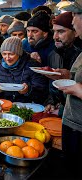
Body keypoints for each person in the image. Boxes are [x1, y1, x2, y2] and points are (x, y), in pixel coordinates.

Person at [57, 2, 82, 177]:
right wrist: (65, 76)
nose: (72, 21)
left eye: (76, 15)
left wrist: (80, 90)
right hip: (72, 123)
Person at [44, 12, 81, 114]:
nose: (55, 37)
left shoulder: (80, 56)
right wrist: (51, 102)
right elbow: (52, 86)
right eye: (54, 31)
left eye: (61, 32)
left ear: (75, 32)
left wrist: (61, 110)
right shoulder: (53, 55)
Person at [0, 37, 48, 104]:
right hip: (7, 105)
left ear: (19, 53)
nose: (7, 58)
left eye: (11, 54)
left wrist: (28, 90)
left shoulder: (32, 66)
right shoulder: (1, 66)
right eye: (4, 54)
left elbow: (43, 93)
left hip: (28, 106)